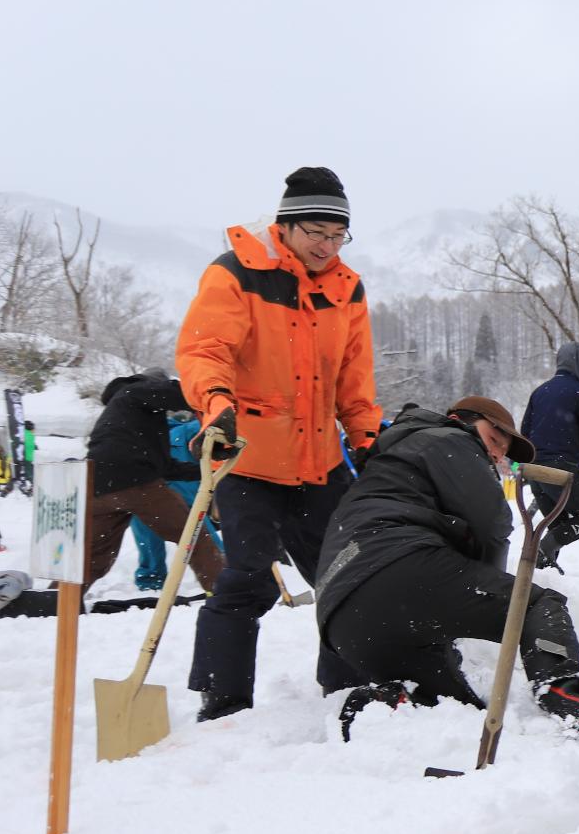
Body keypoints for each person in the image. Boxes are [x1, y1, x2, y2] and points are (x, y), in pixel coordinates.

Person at [174, 166, 380, 721]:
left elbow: (354, 379)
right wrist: (216, 406)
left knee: (346, 578)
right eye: (317, 232)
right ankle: (223, 698)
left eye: (338, 235)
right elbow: (204, 350)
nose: (327, 246)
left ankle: (348, 688)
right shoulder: (237, 273)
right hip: (250, 458)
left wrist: (365, 438)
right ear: (286, 225)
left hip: (320, 463)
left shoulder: (347, 288)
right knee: (248, 580)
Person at [316, 396, 579, 743]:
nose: (497, 455)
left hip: (346, 619)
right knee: (535, 604)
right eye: (493, 440)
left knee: (456, 707)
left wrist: (334, 679)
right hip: (398, 569)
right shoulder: (449, 438)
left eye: (502, 451)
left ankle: (384, 703)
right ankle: (562, 692)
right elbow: (491, 523)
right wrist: (493, 592)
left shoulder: (386, 460)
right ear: (460, 419)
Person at [78, 371, 225, 596]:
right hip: (136, 483)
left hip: (98, 487)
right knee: (194, 536)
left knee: (94, 556)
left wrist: (210, 472)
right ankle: (228, 597)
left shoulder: (126, 414)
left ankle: (56, 602)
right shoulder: (135, 391)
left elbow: (165, 467)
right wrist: (219, 395)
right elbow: (180, 393)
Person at [520, 342, 579, 567]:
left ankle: (541, 571)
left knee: (558, 523)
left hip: (535, 471)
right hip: (561, 467)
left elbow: (524, 431)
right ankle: (541, 552)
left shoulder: (540, 391)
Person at [132, 411, 226, 590]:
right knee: (201, 535)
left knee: (150, 536)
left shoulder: (182, 431)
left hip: (164, 498)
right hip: (165, 498)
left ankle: (151, 577)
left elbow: (208, 427)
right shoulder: (176, 432)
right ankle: (224, 568)